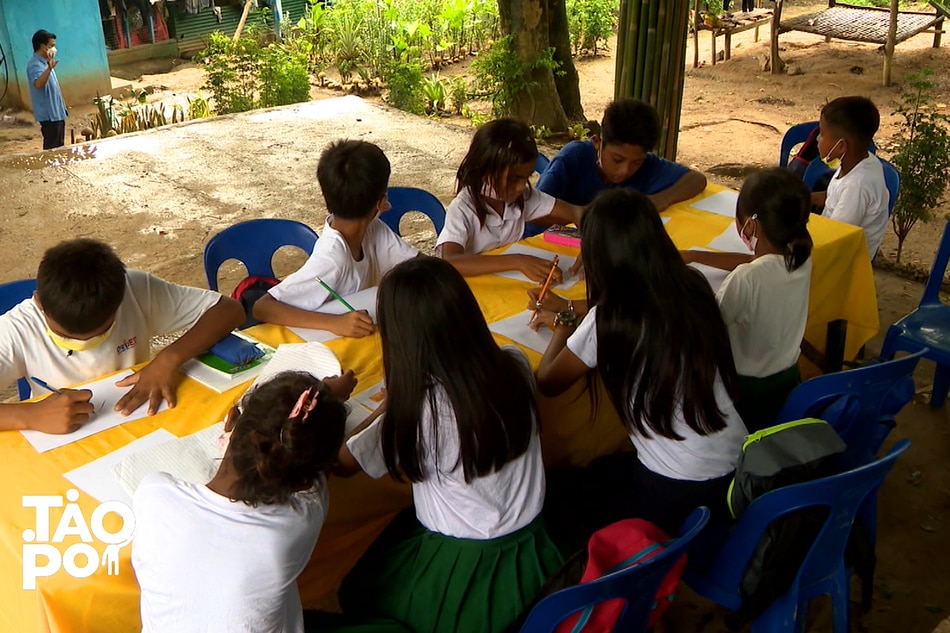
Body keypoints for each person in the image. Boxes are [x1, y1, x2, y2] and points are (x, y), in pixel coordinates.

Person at [334, 257, 562, 633]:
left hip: (464, 570)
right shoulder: (515, 364)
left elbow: (344, 462)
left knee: (359, 592)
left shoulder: (417, 411)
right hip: (536, 549)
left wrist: (391, 402)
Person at [531, 189, 747, 542]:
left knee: (558, 499)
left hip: (680, 490)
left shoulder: (609, 317)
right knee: (602, 470)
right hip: (735, 466)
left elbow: (549, 380)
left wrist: (563, 327)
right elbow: (645, 308)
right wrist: (572, 312)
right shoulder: (691, 285)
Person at [132, 370, 356, 633]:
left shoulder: (153, 494)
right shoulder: (296, 525)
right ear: (302, 483)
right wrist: (330, 399)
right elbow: (316, 473)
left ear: (230, 423)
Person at [0, 238, 244, 435]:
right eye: (66, 336)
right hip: (59, 437)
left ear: (119, 303)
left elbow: (229, 310)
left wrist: (168, 359)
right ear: (39, 302)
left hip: (138, 425)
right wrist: (30, 416)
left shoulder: (136, 291)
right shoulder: (16, 330)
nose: (85, 345)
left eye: (101, 333)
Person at [682, 169, 813, 432]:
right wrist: (694, 255)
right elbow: (759, 263)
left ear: (750, 225)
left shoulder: (746, 279)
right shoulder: (801, 258)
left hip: (745, 393)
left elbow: (710, 332)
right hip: (786, 381)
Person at [254, 140, 418, 338]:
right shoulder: (332, 258)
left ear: (326, 199)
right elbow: (262, 308)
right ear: (381, 203)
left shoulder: (373, 229)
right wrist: (334, 323)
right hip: (321, 350)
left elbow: (418, 265)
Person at [436, 118, 583, 283]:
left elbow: (578, 213)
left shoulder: (522, 198)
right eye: (514, 179)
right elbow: (450, 262)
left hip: (505, 285)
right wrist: (518, 261)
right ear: (486, 171)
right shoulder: (464, 208)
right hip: (471, 291)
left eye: (526, 177)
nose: (521, 187)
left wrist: (589, 243)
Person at [537, 99, 707, 210]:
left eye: (636, 163)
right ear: (598, 143)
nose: (625, 170)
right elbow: (534, 209)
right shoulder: (573, 158)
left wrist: (662, 199)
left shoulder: (648, 165)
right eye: (617, 160)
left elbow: (697, 180)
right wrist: (577, 215)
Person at [812, 96, 888, 260]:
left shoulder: (857, 185)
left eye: (822, 134)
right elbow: (835, 198)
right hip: (831, 247)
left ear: (841, 146)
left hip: (842, 265)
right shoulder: (859, 160)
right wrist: (803, 198)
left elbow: (834, 240)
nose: (817, 139)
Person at [27, 30, 68, 150]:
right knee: (51, 149)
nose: (54, 49)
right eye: (52, 46)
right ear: (43, 46)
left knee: (59, 148)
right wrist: (49, 69)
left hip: (57, 114)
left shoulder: (46, 63)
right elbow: (38, 84)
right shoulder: (35, 65)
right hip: (49, 116)